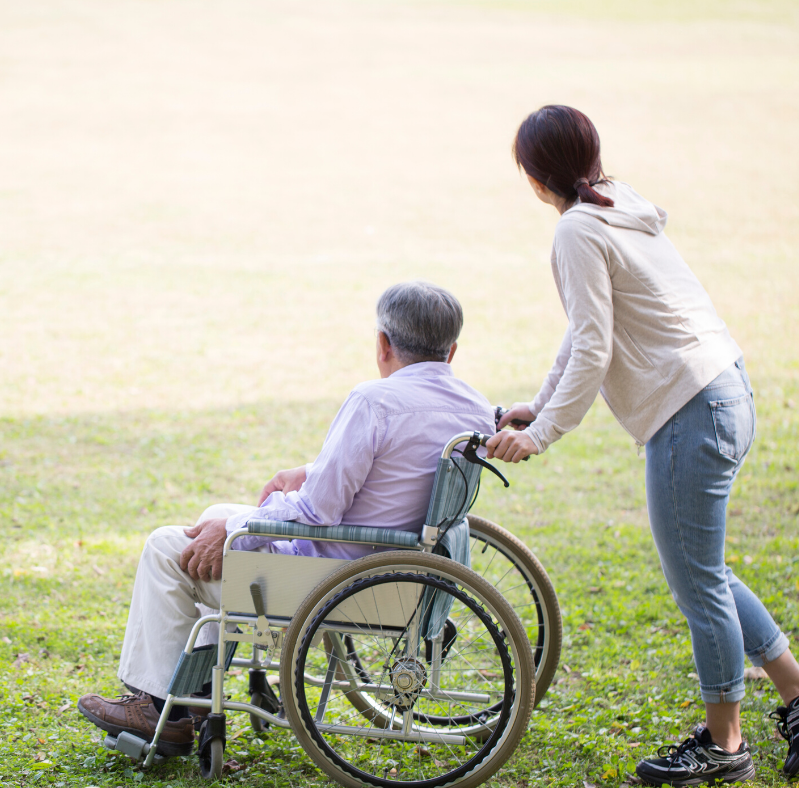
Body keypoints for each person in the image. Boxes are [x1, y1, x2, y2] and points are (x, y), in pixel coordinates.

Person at [483, 104, 799, 785]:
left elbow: (594, 343)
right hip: (724, 390)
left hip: (690, 409)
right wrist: (540, 402)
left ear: (535, 176)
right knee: (704, 570)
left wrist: (541, 435)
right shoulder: (617, 203)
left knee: (699, 587)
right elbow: (586, 327)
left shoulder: (576, 228)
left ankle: (726, 747)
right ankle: (797, 695)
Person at [77, 280, 496, 755]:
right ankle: (187, 698)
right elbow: (397, 473)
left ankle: (162, 709)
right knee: (213, 519)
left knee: (166, 547)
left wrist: (241, 528)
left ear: (382, 344)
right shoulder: (476, 407)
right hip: (402, 572)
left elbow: (319, 510)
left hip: (330, 579)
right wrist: (305, 474)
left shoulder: (374, 402)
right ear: (452, 350)